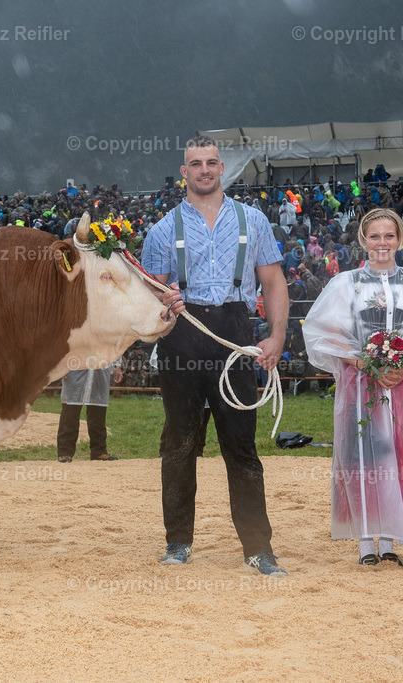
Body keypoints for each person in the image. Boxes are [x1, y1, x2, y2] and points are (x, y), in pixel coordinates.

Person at [142, 135, 289, 576]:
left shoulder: (254, 220)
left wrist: (277, 337)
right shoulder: (163, 229)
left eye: (210, 163)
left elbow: (274, 282)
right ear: (183, 172)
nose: (204, 170)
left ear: (222, 168)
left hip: (235, 332)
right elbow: (151, 292)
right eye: (195, 164)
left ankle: (258, 548)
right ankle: (177, 541)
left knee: (241, 445)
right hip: (184, 335)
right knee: (180, 443)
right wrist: (165, 302)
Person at [303, 209, 403, 566]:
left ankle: (389, 541)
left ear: (400, 239)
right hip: (360, 383)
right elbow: (325, 332)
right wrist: (364, 362)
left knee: (400, 455)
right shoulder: (346, 283)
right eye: (375, 236)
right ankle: (366, 542)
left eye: (389, 236)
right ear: (364, 240)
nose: (383, 243)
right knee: (363, 459)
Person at [56, 363, 122, 462]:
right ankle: (65, 452)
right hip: (75, 365)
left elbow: (115, 346)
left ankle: (99, 451)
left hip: (100, 367)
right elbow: (61, 347)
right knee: (70, 409)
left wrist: (117, 365)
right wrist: (61, 365)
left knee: (98, 410)